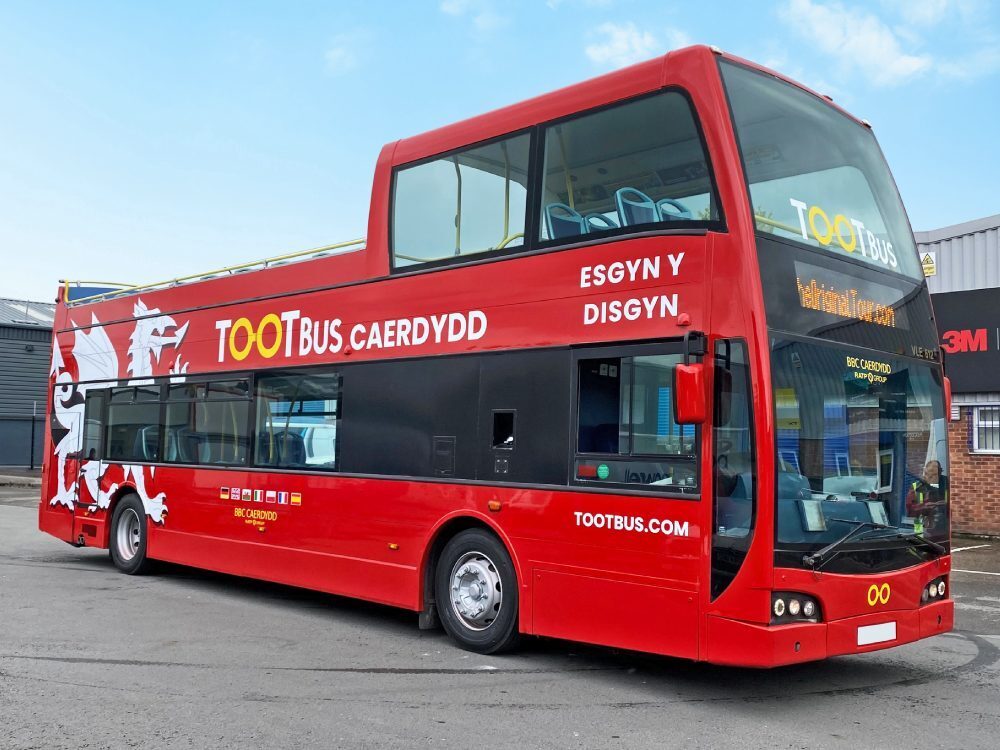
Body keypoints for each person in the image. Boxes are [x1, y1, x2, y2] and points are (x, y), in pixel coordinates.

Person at [906, 460, 947, 535]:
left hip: (940, 527)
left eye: (935, 474)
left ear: (940, 472)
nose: (931, 477)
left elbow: (952, 502)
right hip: (920, 523)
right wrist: (924, 506)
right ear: (925, 473)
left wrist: (944, 504)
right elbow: (911, 509)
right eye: (929, 473)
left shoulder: (946, 483)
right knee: (919, 537)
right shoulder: (917, 486)